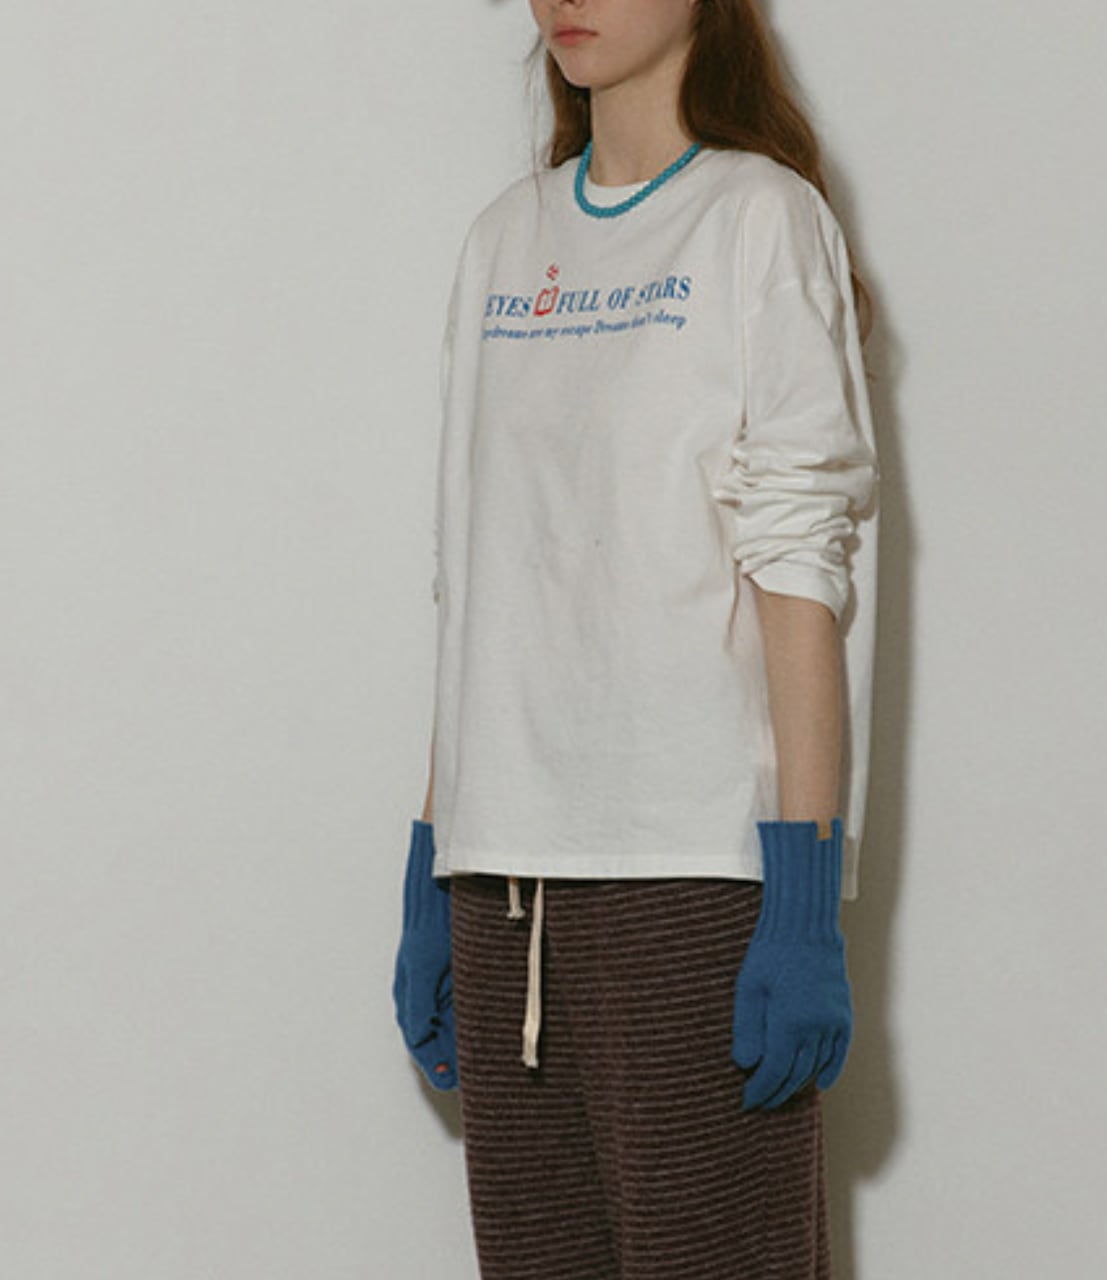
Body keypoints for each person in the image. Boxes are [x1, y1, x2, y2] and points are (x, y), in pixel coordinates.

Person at [393, 1, 880, 1276]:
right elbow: (476, 576)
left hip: (694, 877)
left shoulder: (755, 217)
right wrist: (432, 857)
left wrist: (801, 902)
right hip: (501, 890)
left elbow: (798, 566)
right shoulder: (502, 241)